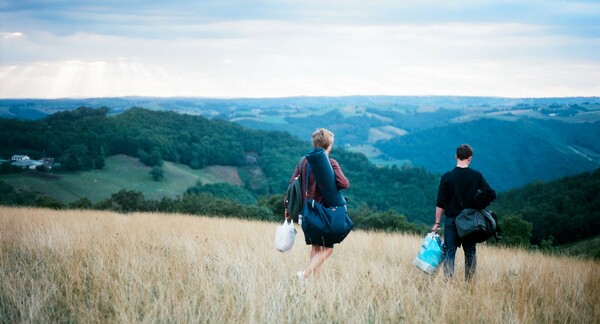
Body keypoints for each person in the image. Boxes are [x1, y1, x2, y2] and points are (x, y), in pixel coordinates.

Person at [285, 128, 350, 281]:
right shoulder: (331, 162)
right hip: (323, 214)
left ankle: (314, 283)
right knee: (327, 249)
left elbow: (291, 186)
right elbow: (344, 183)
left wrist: (287, 208)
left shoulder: (303, 162)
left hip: (306, 213)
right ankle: (303, 275)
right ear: (329, 144)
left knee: (316, 248)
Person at [432, 144, 495, 280]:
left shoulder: (447, 177)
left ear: (456, 156)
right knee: (470, 252)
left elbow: (440, 203)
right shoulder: (476, 176)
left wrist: (437, 223)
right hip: (470, 221)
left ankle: (447, 285)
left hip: (451, 220)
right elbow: (490, 193)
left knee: (449, 252)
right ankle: (470, 285)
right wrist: (478, 203)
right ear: (470, 158)